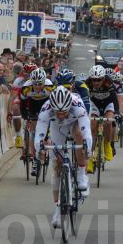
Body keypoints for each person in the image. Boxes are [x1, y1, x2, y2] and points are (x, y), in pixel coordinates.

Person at [35, 86, 92, 229]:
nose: (60, 115)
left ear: (69, 106)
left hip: (74, 124)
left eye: (63, 112)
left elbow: (86, 131)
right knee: (57, 166)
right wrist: (40, 147)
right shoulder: (46, 108)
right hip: (57, 128)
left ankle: (80, 174)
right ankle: (57, 209)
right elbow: (40, 132)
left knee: (80, 136)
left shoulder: (77, 105)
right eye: (57, 112)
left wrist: (87, 147)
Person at [85, 65, 119, 169]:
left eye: (98, 80)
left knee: (109, 122)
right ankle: (90, 158)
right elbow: (84, 99)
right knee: (93, 127)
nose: (96, 82)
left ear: (103, 79)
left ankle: (107, 144)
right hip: (94, 104)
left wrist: (117, 113)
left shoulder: (109, 83)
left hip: (108, 104)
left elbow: (115, 100)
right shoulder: (87, 84)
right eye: (94, 80)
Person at [21, 68, 54, 175]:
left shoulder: (50, 87)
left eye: (40, 84)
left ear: (44, 81)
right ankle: (35, 159)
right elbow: (23, 102)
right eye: (35, 84)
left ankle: (46, 141)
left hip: (46, 104)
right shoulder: (26, 88)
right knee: (34, 132)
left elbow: (54, 102)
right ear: (31, 82)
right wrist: (25, 115)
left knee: (45, 129)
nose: (38, 87)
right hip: (33, 105)